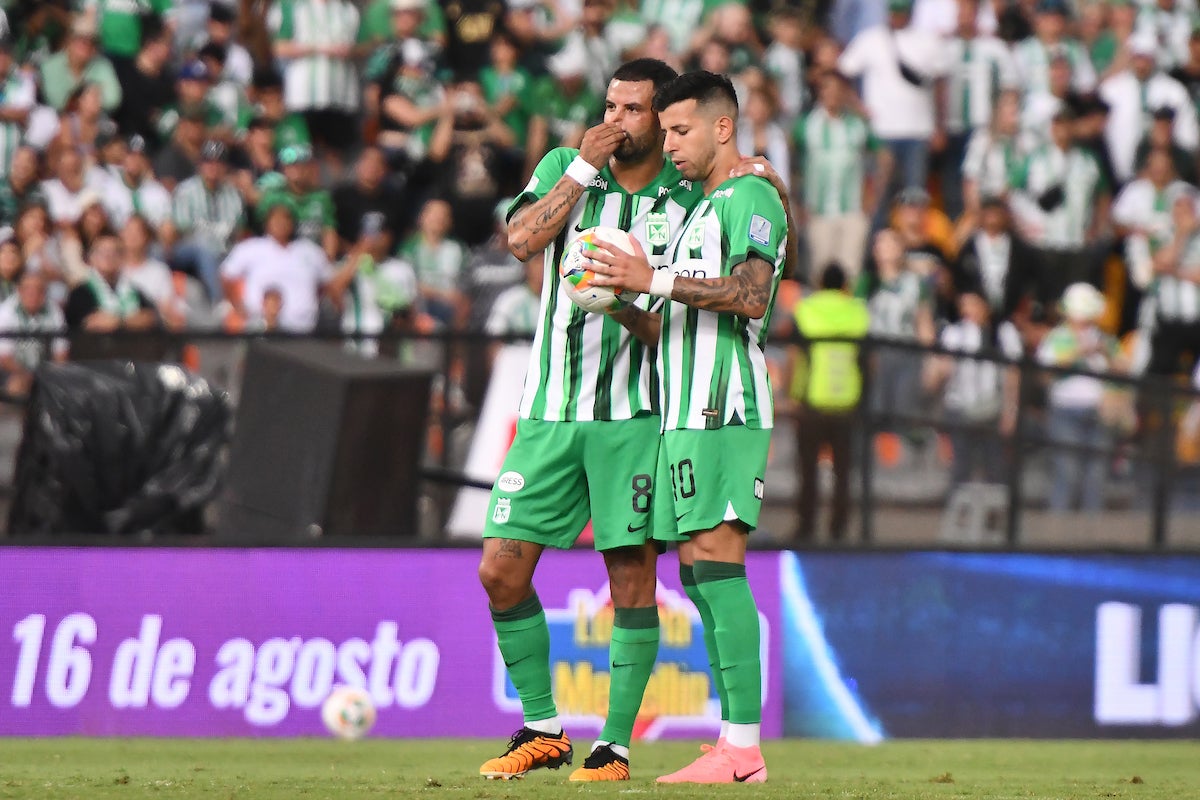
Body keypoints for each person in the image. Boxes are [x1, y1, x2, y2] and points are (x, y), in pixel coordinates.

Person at [475, 58, 700, 784]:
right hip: (547, 411)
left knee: (630, 578)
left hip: (631, 417)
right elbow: (519, 240)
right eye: (610, 106)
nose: (615, 121)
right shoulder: (569, 169)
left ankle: (614, 747)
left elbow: (683, 334)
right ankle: (542, 728)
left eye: (632, 111)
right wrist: (578, 170)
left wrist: (623, 304)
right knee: (500, 570)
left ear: (663, 122)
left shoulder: (687, 200)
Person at [586, 70, 789, 784]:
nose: (668, 144)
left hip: (722, 408)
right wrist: (618, 300)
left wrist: (653, 280)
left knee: (718, 561)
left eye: (681, 130)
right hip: (683, 412)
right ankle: (734, 745)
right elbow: (670, 323)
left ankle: (742, 749)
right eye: (664, 131)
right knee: (699, 571)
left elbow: (752, 295)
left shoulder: (750, 196)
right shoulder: (703, 210)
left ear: (723, 127)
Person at [790, 263, 869, 542]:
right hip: (847, 402)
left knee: (808, 470)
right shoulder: (858, 313)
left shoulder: (805, 310)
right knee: (843, 473)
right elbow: (867, 361)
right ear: (845, 285)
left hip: (813, 402)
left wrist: (795, 396)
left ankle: (806, 527)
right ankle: (838, 530)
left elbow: (798, 358)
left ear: (820, 282)